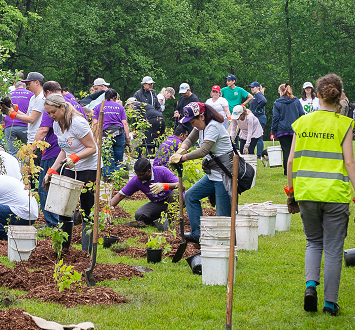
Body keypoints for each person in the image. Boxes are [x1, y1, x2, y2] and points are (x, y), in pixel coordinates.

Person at [284, 73, 355, 316]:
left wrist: (291, 193)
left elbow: (290, 162)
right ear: (340, 97)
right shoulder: (344, 124)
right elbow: (350, 163)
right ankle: (330, 303)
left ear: (317, 95)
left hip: (306, 192)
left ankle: (310, 286)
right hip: (335, 196)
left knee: (313, 242)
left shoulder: (302, 123)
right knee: (332, 248)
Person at [168, 102, 233, 242]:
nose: (192, 125)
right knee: (191, 196)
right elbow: (190, 139)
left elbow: (203, 150)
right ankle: (197, 235)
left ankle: (227, 247)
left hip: (224, 176)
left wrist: (182, 158)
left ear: (202, 117)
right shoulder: (201, 126)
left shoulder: (213, 126)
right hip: (213, 175)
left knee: (223, 218)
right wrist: (179, 151)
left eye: (193, 121)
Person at [42, 93, 100, 248]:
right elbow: (64, 150)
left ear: (62, 106)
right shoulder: (56, 124)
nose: (51, 115)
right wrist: (52, 171)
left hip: (89, 168)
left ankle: (87, 250)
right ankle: (64, 248)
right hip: (70, 167)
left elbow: (92, 148)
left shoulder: (77, 122)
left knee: (87, 209)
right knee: (64, 207)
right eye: (48, 113)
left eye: (53, 112)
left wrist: (75, 158)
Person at [28, 81, 65, 228]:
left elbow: (43, 130)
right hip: (68, 151)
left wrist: (31, 152)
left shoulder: (51, 106)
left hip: (53, 152)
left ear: (48, 93)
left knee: (45, 186)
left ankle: (52, 222)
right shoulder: (72, 102)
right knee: (62, 187)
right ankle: (63, 220)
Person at [107, 158, 179, 231]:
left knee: (176, 193)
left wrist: (164, 186)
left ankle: (167, 223)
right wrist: (105, 212)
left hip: (172, 201)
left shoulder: (162, 171)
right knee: (139, 215)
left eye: (141, 175)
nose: (138, 177)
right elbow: (120, 195)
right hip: (158, 204)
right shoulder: (137, 180)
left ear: (149, 171)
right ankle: (158, 220)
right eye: (137, 174)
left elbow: (181, 185)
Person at [93, 89, 130, 177]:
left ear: (105, 97)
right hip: (119, 136)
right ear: (115, 98)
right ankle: (117, 180)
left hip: (105, 136)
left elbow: (95, 123)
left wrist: (95, 137)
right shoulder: (120, 107)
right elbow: (124, 123)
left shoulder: (99, 107)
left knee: (107, 159)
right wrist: (127, 138)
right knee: (119, 159)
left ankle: (108, 181)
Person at [271, 84, 305, 176]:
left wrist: (272, 132)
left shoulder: (277, 103)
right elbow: (302, 114)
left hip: (282, 130)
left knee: (286, 151)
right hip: (295, 129)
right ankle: (296, 170)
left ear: (281, 92)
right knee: (295, 151)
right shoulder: (296, 101)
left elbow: (275, 118)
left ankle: (287, 171)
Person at [5, 82, 32, 153]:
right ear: (25, 87)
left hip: (10, 125)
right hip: (24, 125)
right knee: (28, 151)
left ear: (15, 88)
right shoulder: (31, 94)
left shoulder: (9, 94)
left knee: (12, 152)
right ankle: (26, 164)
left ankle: (15, 163)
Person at [248, 82, 268, 157]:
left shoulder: (259, 95)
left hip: (259, 117)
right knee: (256, 136)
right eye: (251, 87)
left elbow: (264, 101)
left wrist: (257, 108)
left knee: (259, 137)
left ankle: (259, 155)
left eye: (253, 87)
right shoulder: (256, 95)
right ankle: (256, 153)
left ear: (258, 87)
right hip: (257, 118)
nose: (252, 88)